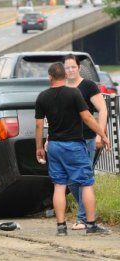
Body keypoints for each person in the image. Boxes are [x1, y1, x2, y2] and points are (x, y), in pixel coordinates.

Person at [35, 62, 111, 236]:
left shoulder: (42, 97)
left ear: (50, 77)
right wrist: (103, 134)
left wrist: (39, 147)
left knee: (59, 185)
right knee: (86, 182)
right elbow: (87, 117)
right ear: (64, 75)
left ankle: (61, 227)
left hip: (54, 146)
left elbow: (39, 125)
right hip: (74, 145)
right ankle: (91, 225)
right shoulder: (74, 93)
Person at [63, 54, 108, 230]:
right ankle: (88, 213)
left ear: (79, 68)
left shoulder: (88, 86)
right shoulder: (62, 88)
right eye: (67, 67)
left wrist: (100, 133)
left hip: (87, 138)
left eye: (73, 67)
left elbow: (102, 109)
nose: (70, 70)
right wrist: (49, 139)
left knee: (84, 177)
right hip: (67, 139)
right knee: (70, 180)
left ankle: (83, 219)